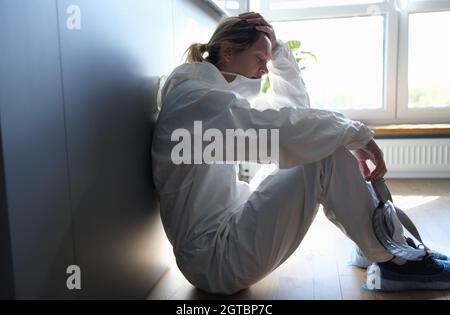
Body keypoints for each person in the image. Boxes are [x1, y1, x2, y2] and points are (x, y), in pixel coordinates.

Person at [152, 12, 450, 294]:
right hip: (215, 261)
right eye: (259, 58)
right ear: (228, 52)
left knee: (316, 148)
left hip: (223, 234)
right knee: (322, 156)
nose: (264, 69)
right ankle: (396, 261)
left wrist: (277, 51)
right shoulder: (196, 102)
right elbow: (279, 131)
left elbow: (294, 113)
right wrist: (354, 133)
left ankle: (376, 244)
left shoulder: (206, 91)